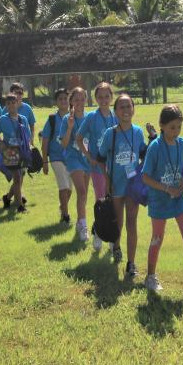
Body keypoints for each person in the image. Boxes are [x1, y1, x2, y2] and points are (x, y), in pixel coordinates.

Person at [141, 105, 183, 294]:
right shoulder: (155, 148)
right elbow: (145, 177)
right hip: (159, 200)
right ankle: (150, 277)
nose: (176, 131)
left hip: (179, 198)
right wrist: (166, 188)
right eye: (172, 127)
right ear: (162, 126)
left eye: (179, 127)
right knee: (157, 238)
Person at [97, 93, 148, 276]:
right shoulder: (110, 134)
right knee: (118, 222)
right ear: (116, 111)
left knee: (132, 222)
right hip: (116, 185)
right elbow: (100, 159)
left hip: (133, 186)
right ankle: (116, 246)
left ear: (133, 109)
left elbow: (144, 154)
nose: (126, 110)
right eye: (122, 107)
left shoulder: (138, 131)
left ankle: (131, 264)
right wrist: (107, 178)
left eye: (129, 106)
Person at [77, 82, 117, 252]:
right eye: (100, 97)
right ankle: (99, 234)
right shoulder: (92, 117)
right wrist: (89, 157)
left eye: (107, 96)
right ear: (95, 99)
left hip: (115, 168)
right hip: (98, 168)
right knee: (101, 201)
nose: (104, 100)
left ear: (111, 97)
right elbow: (79, 138)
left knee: (114, 202)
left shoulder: (116, 116)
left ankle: (113, 239)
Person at [61, 87, 91, 242]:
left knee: (83, 194)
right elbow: (64, 144)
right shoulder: (67, 119)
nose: (79, 102)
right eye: (76, 99)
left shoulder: (90, 117)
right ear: (71, 101)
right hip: (73, 159)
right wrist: (70, 128)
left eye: (82, 99)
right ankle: (84, 226)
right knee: (82, 191)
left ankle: (80, 220)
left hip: (87, 158)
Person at [0, 93, 32, 213]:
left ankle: (7, 197)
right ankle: (20, 206)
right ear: (6, 105)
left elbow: (27, 135)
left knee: (19, 178)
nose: (11, 105)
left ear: (17, 104)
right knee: (16, 177)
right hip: (9, 151)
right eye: (8, 103)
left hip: (22, 150)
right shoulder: (3, 119)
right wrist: (1, 143)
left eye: (13, 103)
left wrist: (29, 147)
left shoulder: (23, 119)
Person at [40, 88, 73, 225]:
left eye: (66, 98)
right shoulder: (52, 120)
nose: (63, 101)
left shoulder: (74, 116)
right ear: (56, 102)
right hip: (56, 157)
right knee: (64, 187)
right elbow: (45, 141)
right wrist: (44, 162)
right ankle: (65, 216)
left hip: (71, 158)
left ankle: (62, 206)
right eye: (60, 99)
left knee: (70, 189)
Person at [10, 82, 37, 205]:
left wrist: (31, 140)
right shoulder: (7, 107)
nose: (18, 95)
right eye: (15, 92)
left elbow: (32, 125)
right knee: (17, 174)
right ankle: (18, 200)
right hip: (12, 147)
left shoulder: (27, 108)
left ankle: (12, 196)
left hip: (25, 146)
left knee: (22, 173)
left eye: (20, 93)